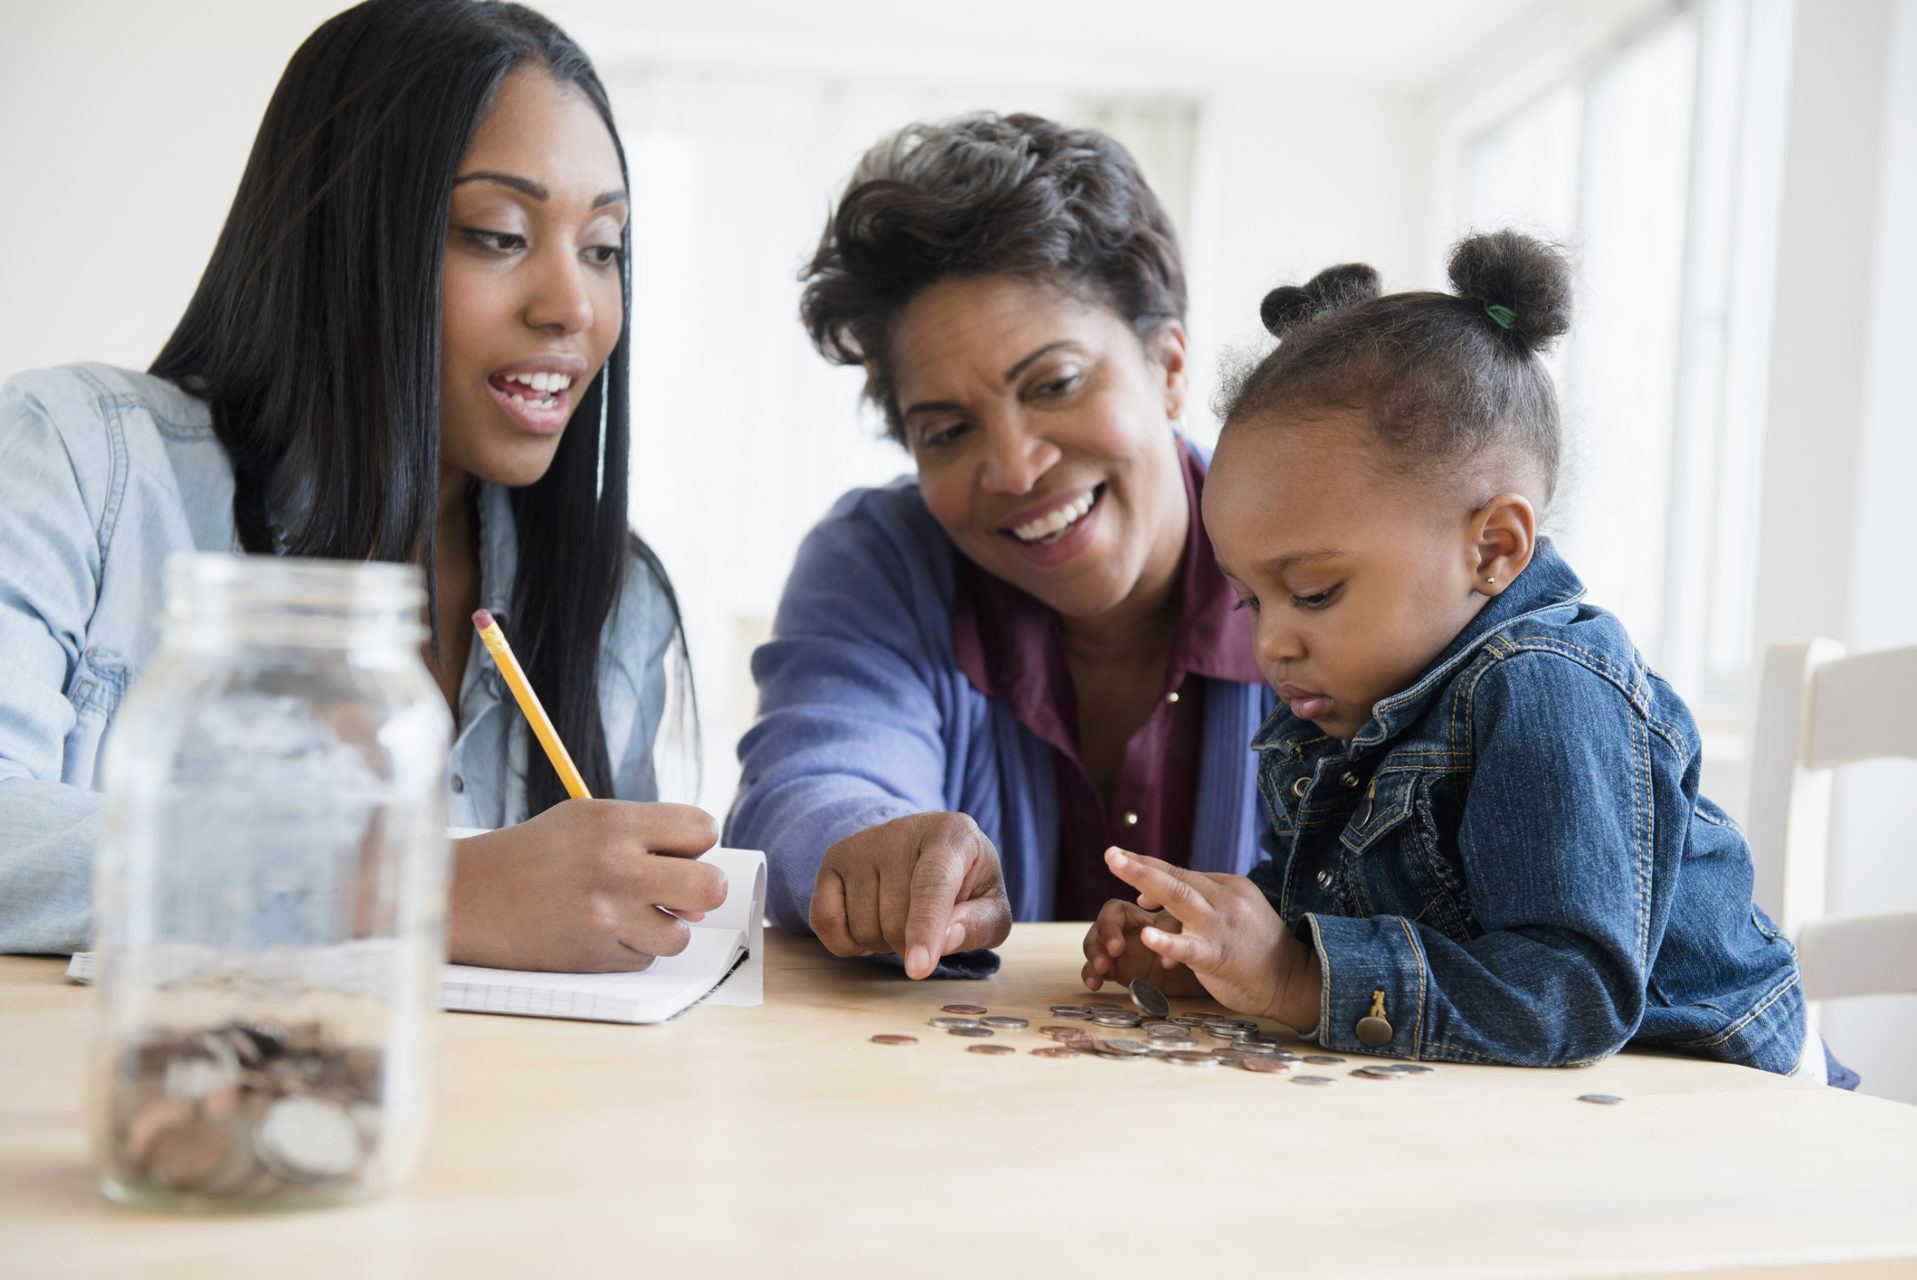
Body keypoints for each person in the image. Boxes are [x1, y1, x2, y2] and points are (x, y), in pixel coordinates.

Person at [0, 0, 727, 972]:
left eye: (603, 247)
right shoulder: (77, 461)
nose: (573, 306)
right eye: (500, 233)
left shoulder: (612, 598)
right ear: (344, 240)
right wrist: (415, 888)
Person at [1082, 230, 1851, 1084]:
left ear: (1493, 546)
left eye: (1313, 592)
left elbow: (1569, 992)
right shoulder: (1339, 689)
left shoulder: (1547, 687)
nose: (1270, 643)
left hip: (1722, 1098)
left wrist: (1300, 977)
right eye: (1248, 599)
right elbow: (1306, 913)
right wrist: (1214, 954)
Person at [726, 113, 1275, 980]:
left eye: (1054, 383)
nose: (1015, 469)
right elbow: (804, 785)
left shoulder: (1325, 561)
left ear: (1168, 366)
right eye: (946, 431)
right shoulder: (881, 560)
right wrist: (869, 846)